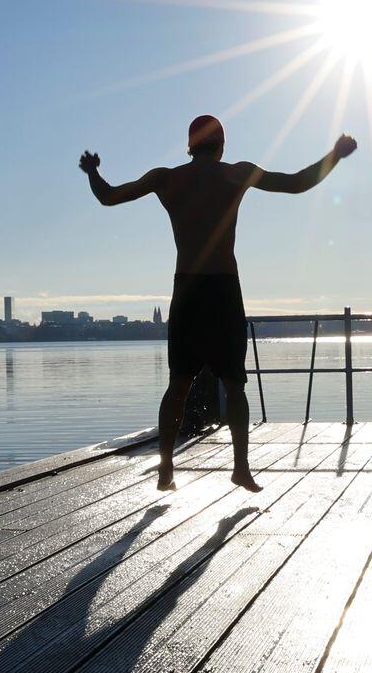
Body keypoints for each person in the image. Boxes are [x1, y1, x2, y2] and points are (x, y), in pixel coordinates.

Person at [80, 116, 357, 492]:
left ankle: (166, 466)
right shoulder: (235, 173)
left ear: (190, 146)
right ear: (221, 145)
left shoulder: (166, 178)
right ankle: (240, 467)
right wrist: (335, 154)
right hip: (223, 288)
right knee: (234, 384)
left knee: (179, 384)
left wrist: (92, 172)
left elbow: (108, 196)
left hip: (187, 289)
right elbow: (296, 183)